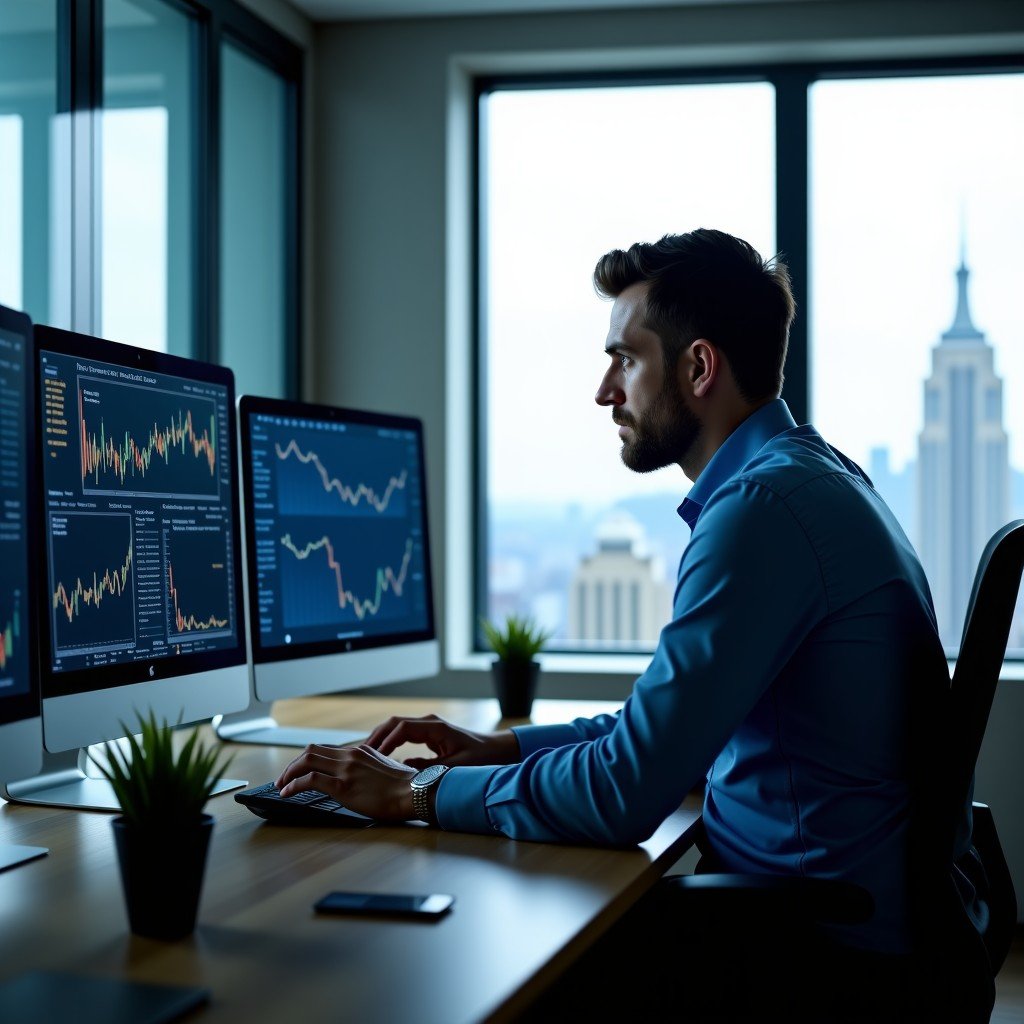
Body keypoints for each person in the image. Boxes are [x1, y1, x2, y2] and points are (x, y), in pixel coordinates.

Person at [276, 229, 961, 1020]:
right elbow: (663, 732)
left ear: (699, 367)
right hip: (830, 918)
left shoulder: (760, 514)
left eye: (625, 360)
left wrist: (418, 794)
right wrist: (503, 747)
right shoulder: (815, 477)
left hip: (818, 956)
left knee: (463, 977)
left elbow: (625, 792)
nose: (606, 392)